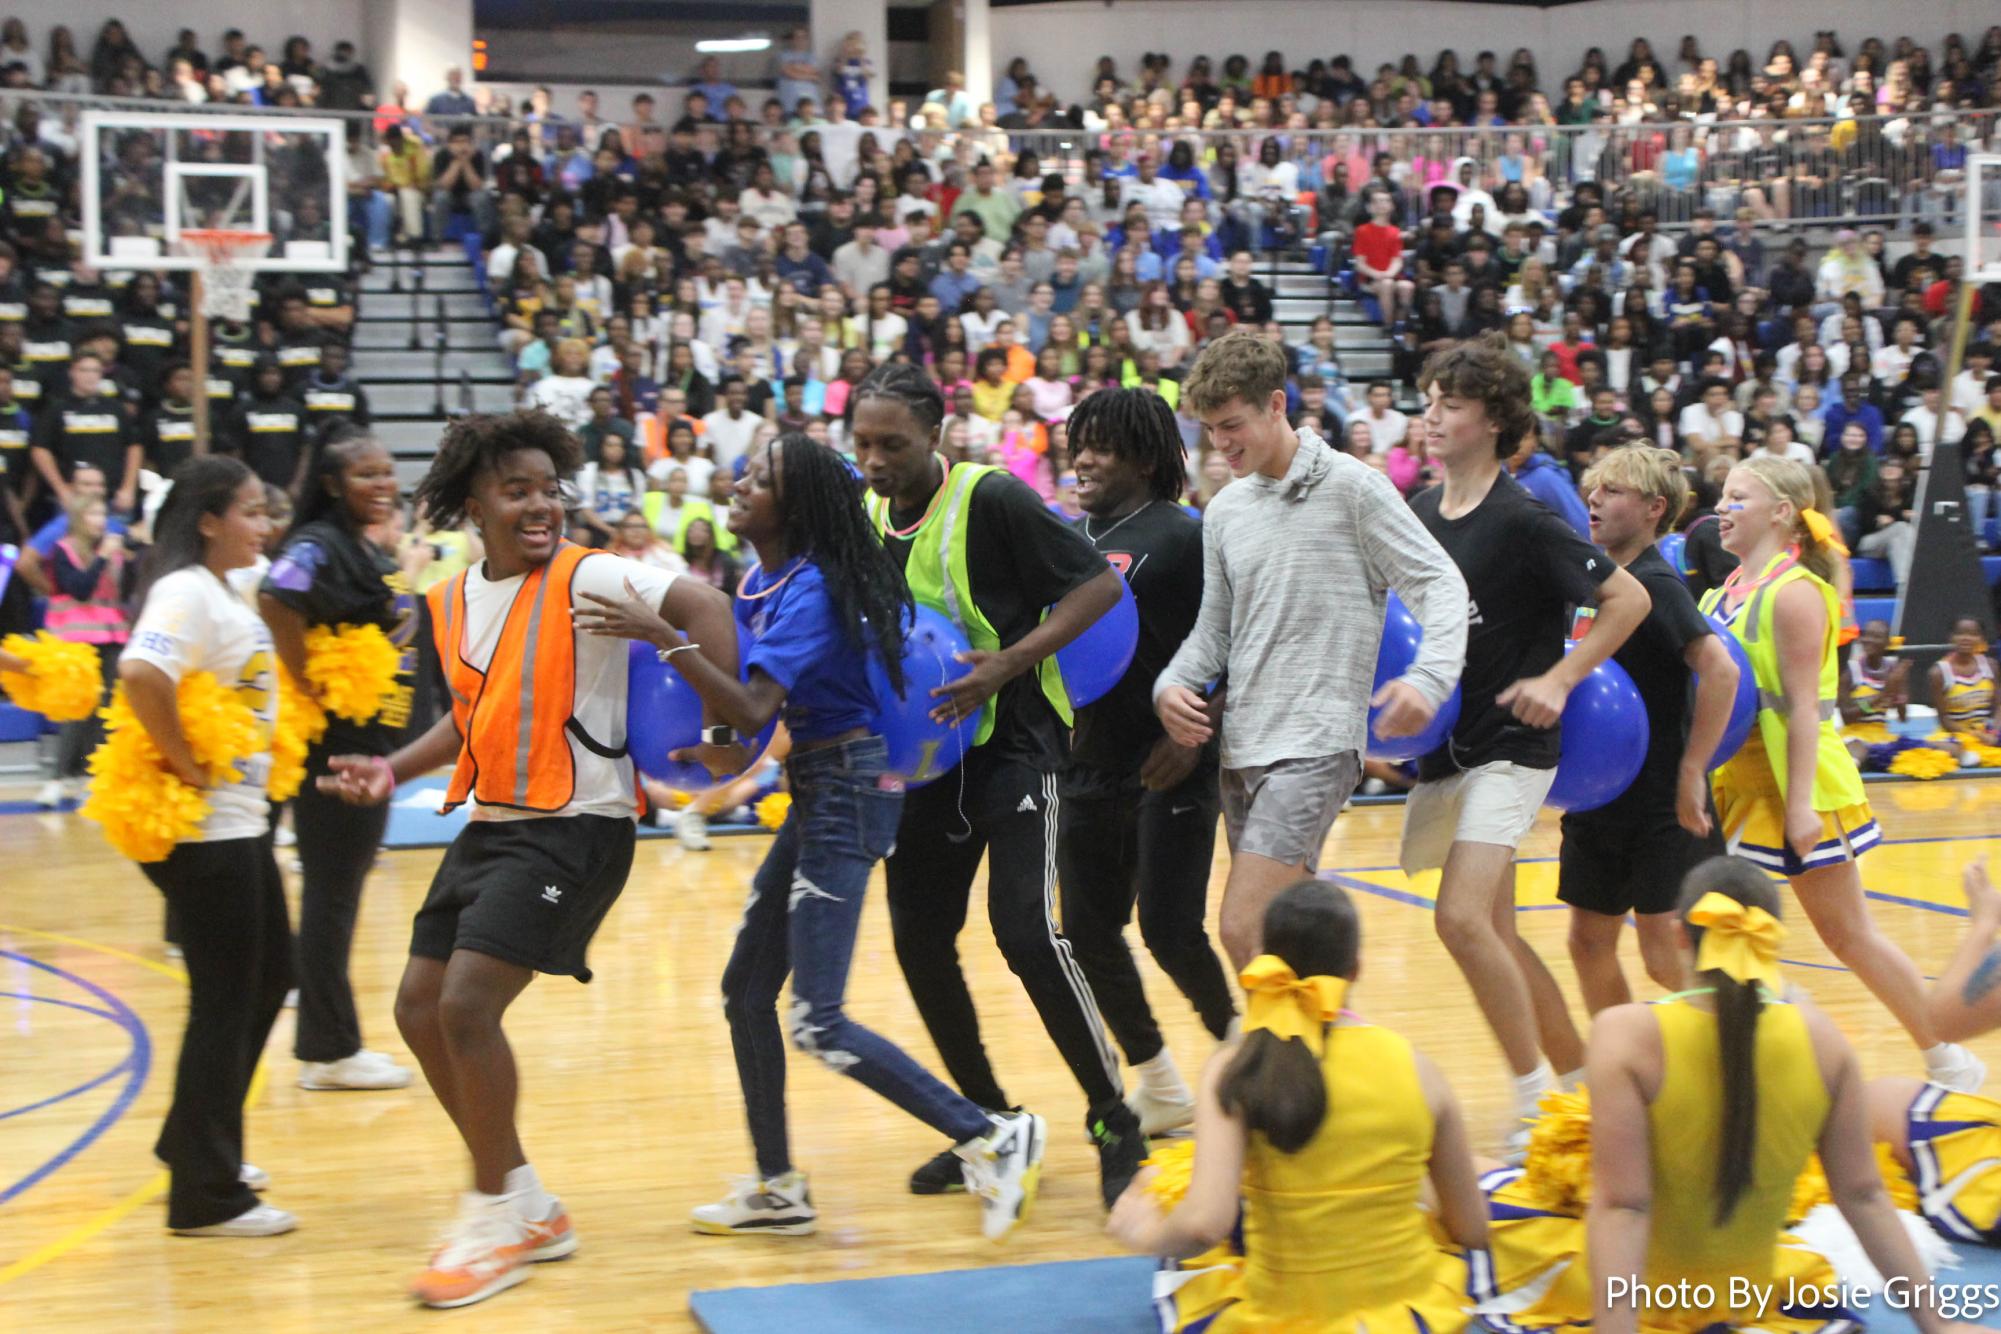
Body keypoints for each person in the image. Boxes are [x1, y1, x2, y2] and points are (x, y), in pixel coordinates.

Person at [575, 434, 1047, 1241]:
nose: (738, 483)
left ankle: (991, 1134)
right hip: (820, 786)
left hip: (848, 790)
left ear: (792, 508)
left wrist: (661, 634)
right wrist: (708, 751)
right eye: (746, 470)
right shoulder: (766, 579)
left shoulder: (816, 587)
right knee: (744, 993)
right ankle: (777, 1187)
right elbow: (747, 718)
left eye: (758, 479)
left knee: (817, 1019)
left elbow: (757, 710)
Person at [316, 410, 740, 1308]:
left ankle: (490, 1214)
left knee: (467, 1005)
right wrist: (391, 769)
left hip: (578, 824)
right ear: (474, 503)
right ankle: (527, 1200)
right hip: (496, 823)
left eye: (551, 487)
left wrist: (709, 720)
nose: (541, 504)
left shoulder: (593, 574)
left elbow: (705, 604)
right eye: (518, 490)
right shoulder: (453, 598)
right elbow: (472, 713)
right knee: (417, 1008)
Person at [849, 361, 1146, 1208]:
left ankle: (1112, 1120)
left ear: (935, 434)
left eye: (892, 444)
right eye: (863, 442)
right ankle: (986, 1122)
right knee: (918, 944)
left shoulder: (992, 498)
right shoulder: (869, 513)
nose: (874, 459)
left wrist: (1007, 665)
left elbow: (1098, 586)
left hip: (1014, 745)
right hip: (926, 763)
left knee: (1024, 934)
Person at [1563, 857, 1989, 1334]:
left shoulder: (1622, 1035)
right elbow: (1864, 1196)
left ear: (1680, 934)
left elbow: (1624, 1206)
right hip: (1758, 1312)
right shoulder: (1822, 1040)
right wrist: (1936, 1324)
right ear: (1771, 942)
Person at [1155, 329, 1468, 977]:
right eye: (1210, 430)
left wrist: (1430, 678)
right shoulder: (1225, 510)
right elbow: (1214, 631)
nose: (1221, 444)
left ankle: (1293, 1061)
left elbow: (1439, 583)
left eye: (1232, 424)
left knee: (1242, 929)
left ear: (1276, 404)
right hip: (1242, 748)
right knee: (1284, 944)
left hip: (1317, 744)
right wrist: (1172, 685)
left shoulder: (1353, 488)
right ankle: (1317, 1061)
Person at [1405, 334, 1652, 1151]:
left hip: (1514, 744)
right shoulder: (1416, 516)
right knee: (1498, 934)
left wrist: (1560, 678)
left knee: (1460, 919)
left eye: (1452, 404)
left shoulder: (1524, 518)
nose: (1432, 416)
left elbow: (1625, 602)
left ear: (1492, 421)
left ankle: (1532, 1104)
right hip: (1448, 749)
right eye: (1429, 401)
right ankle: (1581, 1086)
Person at [1701, 456, 1984, 1091]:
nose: (1721, 507)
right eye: (1721, 496)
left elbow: (1803, 706)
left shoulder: (1795, 591)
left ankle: (1943, 1054)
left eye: (1737, 497)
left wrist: (1800, 806)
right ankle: (1753, 1066)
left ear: (1780, 512)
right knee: (1727, 929)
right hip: (1739, 787)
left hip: (1796, 784)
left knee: (1847, 935)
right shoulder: (1719, 593)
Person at [1105, 880, 1490, 1332]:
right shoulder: (1418, 1068)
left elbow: (1204, 1223)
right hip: (1407, 1315)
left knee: (1188, 1254)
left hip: (1284, 1318)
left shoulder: (1236, 1068)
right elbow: (1472, 1229)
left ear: (1264, 960)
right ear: (1356, 968)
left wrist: (1146, 1234)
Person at [119, 455, 293, 1236]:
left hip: (240, 820)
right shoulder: (184, 590)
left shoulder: (223, 588)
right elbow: (139, 673)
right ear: (208, 522)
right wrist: (186, 764)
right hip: (203, 828)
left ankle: (193, 1141)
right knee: (226, 998)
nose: (265, 524)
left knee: (267, 980)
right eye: (252, 512)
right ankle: (206, 1195)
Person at [1058, 389, 1237, 1138]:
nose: (1083, 458)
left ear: (1144, 453)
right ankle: (1158, 1083)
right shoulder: (1069, 537)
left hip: (1172, 761)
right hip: (1088, 766)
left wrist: (1200, 727)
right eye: (1077, 443)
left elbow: (1241, 637)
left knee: (1169, 930)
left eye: (1101, 444)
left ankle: (1246, 1058)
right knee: (1085, 932)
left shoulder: (1186, 536)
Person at [258, 434, 417, 1093]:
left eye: (386, 470)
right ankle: (328, 1052)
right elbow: (276, 596)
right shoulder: (316, 543)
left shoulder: (356, 542)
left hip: (363, 730)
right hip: (334, 741)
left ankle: (330, 1042)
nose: (381, 482)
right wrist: (308, 681)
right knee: (332, 891)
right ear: (331, 483)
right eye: (363, 473)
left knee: (340, 890)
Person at [1565, 445, 1738, 1016]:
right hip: (1599, 801)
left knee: (1667, 952)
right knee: (1588, 942)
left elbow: (1721, 669)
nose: (1594, 498)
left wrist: (1693, 769)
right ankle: (1622, 1069)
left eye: (1612, 490)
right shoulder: (1600, 583)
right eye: (1594, 487)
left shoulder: (1658, 584)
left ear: (1652, 508)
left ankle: (1736, 1055)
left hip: (1662, 803)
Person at [40, 491, 132, 808]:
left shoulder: (115, 552)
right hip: (74, 639)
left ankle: (92, 778)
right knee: (75, 710)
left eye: (102, 515)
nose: (99, 521)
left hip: (112, 636)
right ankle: (57, 778)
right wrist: (104, 558)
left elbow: (125, 592)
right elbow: (79, 589)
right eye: (92, 514)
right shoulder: (63, 550)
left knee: (104, 710)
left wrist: (123, 559)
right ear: (79, 519)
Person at [1929, 616, 1999, 749]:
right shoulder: (1938, 673)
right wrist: (1977, 736)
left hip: (1987, 733)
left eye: (1973, 634)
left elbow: (1999, 706)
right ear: (1951, 637)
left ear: (1982, 639)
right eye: (1960, 633)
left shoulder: (1991, 665)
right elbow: (1944, 720)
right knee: (1963, 754)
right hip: (1955, 736)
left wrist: (1994, 732)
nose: (1966, 638)